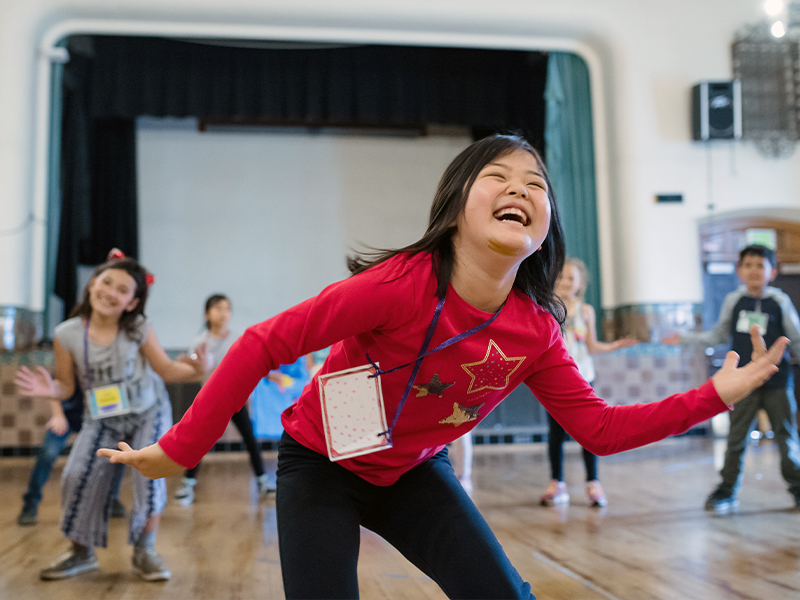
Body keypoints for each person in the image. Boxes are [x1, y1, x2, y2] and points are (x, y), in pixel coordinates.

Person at [98, 135, 787, 599]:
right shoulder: (398, 283)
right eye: (498, 177)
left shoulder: (538, 330)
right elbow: (261, 344)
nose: (521, 188)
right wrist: (180, 450)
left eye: (536, 185)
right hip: (321, 465)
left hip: (409, 473)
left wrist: (716, 395)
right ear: (458, 203)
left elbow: (599, 430)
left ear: (546, 223)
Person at [14, 249, 206, 582]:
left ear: (132, 302)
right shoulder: (66, 334)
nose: (110, 292)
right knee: (76, 476)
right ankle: (80, 552)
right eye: (106, 282)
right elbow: (65, 385)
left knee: (150, 477)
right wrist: (51, 391)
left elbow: (166, 369)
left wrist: (198, 371)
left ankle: (145, 550)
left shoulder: (138, 328)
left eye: (122, 290)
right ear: (92, 284)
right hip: (101, 417)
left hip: (149, 411)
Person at [664, 244, 800, 514]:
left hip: (777, 382)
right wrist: (686, 338)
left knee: (786, 438)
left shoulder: (780, 301)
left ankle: (798, 489)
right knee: (736, 439)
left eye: (760, 265)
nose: (753, 271)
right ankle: (725, 492)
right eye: (748, 265)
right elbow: (717, 335)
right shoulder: (734, 300)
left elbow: (795, 339)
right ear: (739, 271)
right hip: (743, 384)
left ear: (771, 271)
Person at [540, 257, 637, 508]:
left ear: (580, 284)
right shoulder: (546, 306)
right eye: (561, 276)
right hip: (554, 378)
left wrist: (615, 345)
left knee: (590, 430)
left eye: (571, 278)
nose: (564, 281)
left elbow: (592, 346)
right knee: (555, 433)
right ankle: (556, 483)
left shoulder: (586, 311)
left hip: (583, 376)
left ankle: (593, 483)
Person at [174, 294, 274, 505]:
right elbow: (195, 371)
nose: (224, 313)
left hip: (234, 399)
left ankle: (262, 481)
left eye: (227, 308)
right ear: (207, 313)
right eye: (218, 308)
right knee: (199, 442)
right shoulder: (200, 342)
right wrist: (186, 365)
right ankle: (187, 485)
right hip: (210, 400)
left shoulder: (238, 339)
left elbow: (249, 366)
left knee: (250, 439)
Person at [17, 383, 127, 526]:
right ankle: (30, 503)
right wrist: (57, 415)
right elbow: (54, 386)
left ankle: (112, 499)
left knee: (117, 450)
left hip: (95, 417)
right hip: (67, 417)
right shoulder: (71, 362)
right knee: (47, 453)